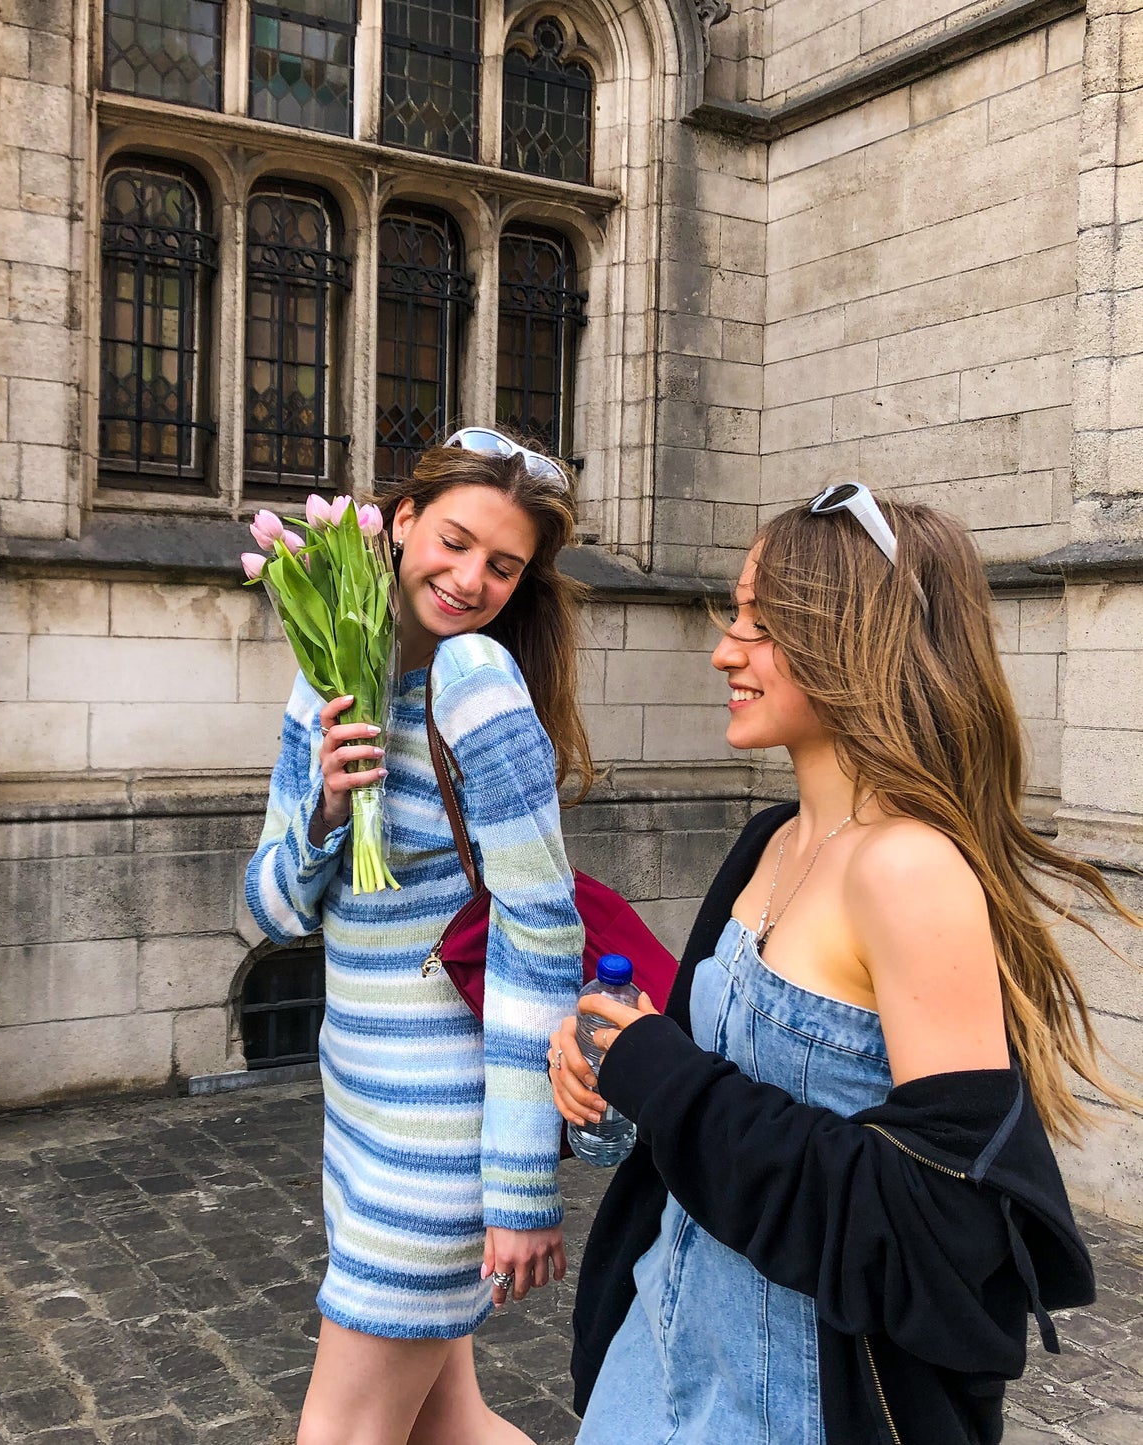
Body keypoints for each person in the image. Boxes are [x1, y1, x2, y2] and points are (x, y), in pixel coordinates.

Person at [549, 484, 1133, 1445]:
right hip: (654, 1356)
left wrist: (661, 1072)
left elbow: (939, 1225)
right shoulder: (767, 839)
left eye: (760, 622)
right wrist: (603, 1062)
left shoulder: (907, 868)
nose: (723, 649)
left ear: (853, 638)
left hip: (792, 1403)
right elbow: (698, 1083)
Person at [246, 428, 594, 1445]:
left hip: (435, 1143)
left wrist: (522, 1185)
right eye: (452, 540)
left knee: (341, 1430)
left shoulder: (478, 681)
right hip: (355, 1115)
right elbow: (265, 910)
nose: (468, 577)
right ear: (398, 522)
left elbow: (541, 927)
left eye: (501, 564)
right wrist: (321, 810)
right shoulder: (327, 684)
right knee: (454, 1426)